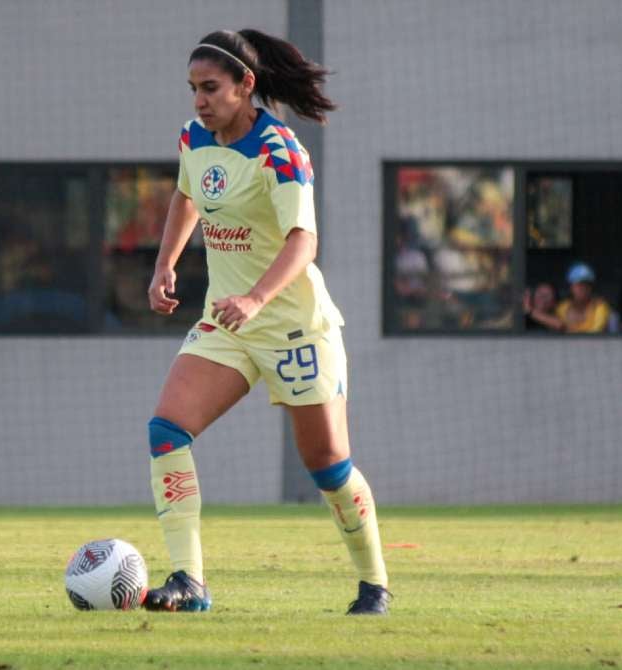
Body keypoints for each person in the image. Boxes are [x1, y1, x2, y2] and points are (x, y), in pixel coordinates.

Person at [143, 29, 391, 615]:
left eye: (210, 88)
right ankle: (189, 581)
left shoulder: (279, 148)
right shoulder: (193, 138)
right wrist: (164, 265)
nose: (199, 101)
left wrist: (255, 298)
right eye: (192, 89)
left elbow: (304, 241)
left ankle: (374, 584)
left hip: (294, 327)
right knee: (166, 432)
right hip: (227, 324)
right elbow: (185, 196)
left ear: (245, 85)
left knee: (328, 467)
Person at [554, 262, 613, 333]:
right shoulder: (563, 307)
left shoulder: (600, 306)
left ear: (591, 288)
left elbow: (595, 335)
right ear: (571, 287)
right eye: (579, 285)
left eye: (586, 285)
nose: (583, 288)